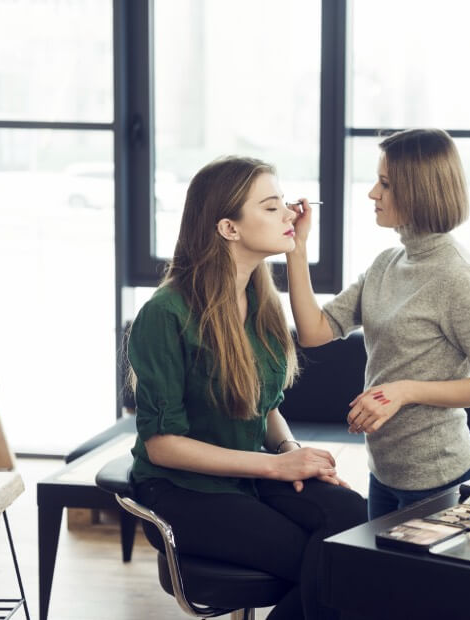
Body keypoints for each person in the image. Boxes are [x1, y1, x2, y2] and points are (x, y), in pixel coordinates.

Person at [127, 155, 367, 620]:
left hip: (249, 473)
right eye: (272, 207)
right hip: (183, 489)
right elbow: (163, 446)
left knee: (351, 518)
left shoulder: (260, 298)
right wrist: (276, 468)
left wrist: (292, 452)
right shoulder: (165, 313)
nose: (290, 216)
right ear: (229, 228)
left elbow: (265, 404)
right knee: (326, 564)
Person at [286, 128, 470, 520]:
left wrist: (405, 391)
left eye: (385, 184)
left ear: (419, 190)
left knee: (412, 584)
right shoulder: (386, 264)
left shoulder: (459, 279)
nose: (373, 193)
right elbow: (314, 330)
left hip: (439, 479)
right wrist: (297, 245)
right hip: (385, 473)